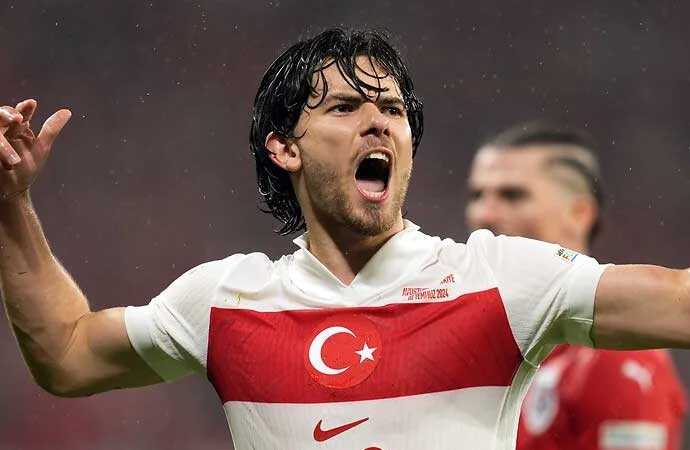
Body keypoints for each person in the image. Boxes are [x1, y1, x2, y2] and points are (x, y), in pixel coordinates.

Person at [0, 28, 688, 450]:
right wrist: (10, 203)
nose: (378, 121)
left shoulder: (502, 280)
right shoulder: (225, 301)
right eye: (345, 107)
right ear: (284, 147)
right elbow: (66, 355)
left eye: (392, 108)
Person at [465, 122, 687, 450]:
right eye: (477, 195)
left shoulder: (616, 356)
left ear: (580, 213)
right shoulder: (471, 345)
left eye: (512, 195)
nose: (484, 214)